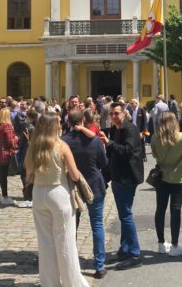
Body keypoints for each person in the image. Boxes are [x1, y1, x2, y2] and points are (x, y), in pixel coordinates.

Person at [25, 113, 89, 287]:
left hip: (39, 192)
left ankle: (50, 283)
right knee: (65, 241)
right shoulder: (61, 146)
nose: (61, 125)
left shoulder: (34, 146)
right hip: (58, 192)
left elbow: (28, 174)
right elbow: (75, 174)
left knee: (45, 241)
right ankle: (72, 282)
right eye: (59, 123)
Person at [63, 110, 109, 279]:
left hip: (72, 187)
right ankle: (99, 265)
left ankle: (71, 263)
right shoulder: (94, 140)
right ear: (83, 120)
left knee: (71, 225)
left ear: (68, 121)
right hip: (94, 184)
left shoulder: (63, 141)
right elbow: (103, 162)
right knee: (97, 224)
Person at [104, 102, 144, 270]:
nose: (113, 116)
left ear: (124, 113)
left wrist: (109, 143)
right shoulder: (115, 129)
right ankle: (125, 248)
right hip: (118, 177)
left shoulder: (130, 129)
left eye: (116, 113)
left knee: (126, 214)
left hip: (127, 178)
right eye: (111, 114)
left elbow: (127, 150)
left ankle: (135, 253)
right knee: (123, 214)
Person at [152, 112, 182, 257]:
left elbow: (154, 155)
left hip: (161, 175)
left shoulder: (155, 138)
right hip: (178, 176)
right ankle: (174, 245)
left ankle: (161, 243)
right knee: (176, 210)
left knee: (160, 209)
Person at [0, 107, 18, 205]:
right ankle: (5, 196)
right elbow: (10, 141)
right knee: (3, 175)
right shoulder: (7, 126)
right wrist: (16, 139)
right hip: (4, 153)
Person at [16, 109, 38, 208]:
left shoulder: (30, 128)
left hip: (26, 152)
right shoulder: (33, 127)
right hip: (28, 151)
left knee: (25, 174)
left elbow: (25, 141)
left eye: (27, 117)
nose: (26, 119)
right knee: (26, 174)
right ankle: (28, 195)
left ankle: (28, 196)